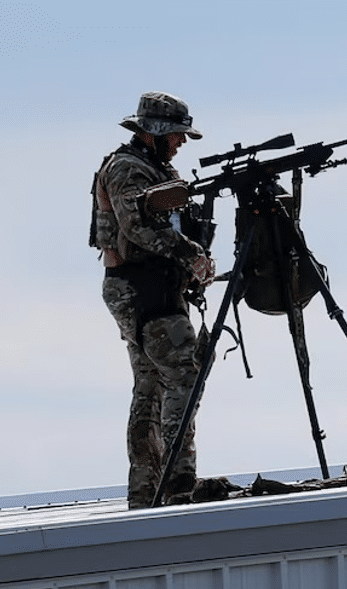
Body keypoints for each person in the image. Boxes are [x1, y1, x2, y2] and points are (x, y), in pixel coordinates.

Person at [91, 91, 215, 508]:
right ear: (156, 133)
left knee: (150, 387)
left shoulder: (151, 170)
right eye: (177, 135)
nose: (181, 143)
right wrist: (191, 256)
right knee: (182, 374)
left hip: (150, 286)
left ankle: (146, 493)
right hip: (141, 287)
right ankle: (179, 485)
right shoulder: (127, 168)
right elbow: (137, 228)